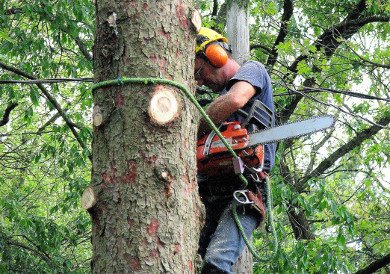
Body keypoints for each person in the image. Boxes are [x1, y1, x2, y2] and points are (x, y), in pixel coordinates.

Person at [194, 27, 276, 274]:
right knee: (191, 263)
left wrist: (193, 128)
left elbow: (236, 99)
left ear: (216, 54)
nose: (199, 80)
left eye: (199, 71)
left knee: (216, 265)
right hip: (209, 192)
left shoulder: (253, 71)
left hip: (245, 188)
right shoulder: (213, 106)